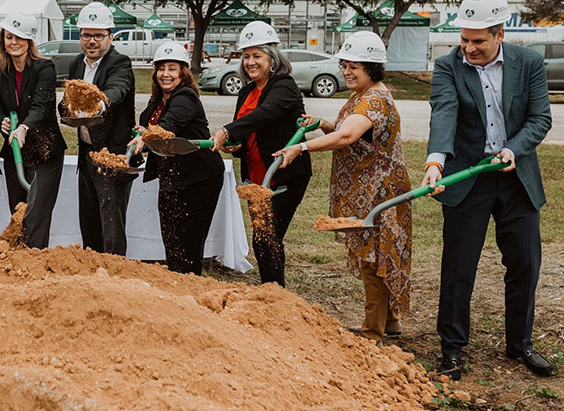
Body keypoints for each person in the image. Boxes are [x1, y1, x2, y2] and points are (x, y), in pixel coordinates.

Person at [422, 0, 553, 380]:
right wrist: (435, 162)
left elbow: (540, 118)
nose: (468, 48)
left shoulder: (529, 63)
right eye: (463, 39)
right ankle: (452, 350)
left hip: (516, 178)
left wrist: (514, 149)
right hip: (468, 177)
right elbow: (443, 113)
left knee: (525, 263)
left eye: (478, 40)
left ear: (500, 34)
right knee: (459, 266)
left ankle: (520, 344)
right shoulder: (449, 66)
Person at [274, 31, 411, 345]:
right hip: (369, 191)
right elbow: (351, 131)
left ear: (373, 68)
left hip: (379, 193)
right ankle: (390, 322)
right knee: (378, 257)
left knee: (373, 260)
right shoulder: (362, 95)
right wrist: (323, 124)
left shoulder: (375, 99)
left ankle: (371, 334)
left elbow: (348, 137)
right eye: (345, 65)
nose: (347, 71)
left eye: (355, 66)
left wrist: (302, 148)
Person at [210, 21, 311, 286]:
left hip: (284, 174)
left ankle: (275, 293)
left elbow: (263, 116)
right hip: (256, 176)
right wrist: (236, 144)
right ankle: (271, 290)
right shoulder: (245, 91)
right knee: (262, 236)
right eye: (246, 56)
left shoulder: (284, 87)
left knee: (268, 236)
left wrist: (226, 131)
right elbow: (247, 130)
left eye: (257, 56)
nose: (250, 62)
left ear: (273, 58)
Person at [129, 41, 224, 274]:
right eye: (161, 68)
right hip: (172, 179)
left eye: (172, 68)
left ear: (183, 72)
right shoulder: (157, 100)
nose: (166, 74)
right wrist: (142, 133)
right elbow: (151, 126)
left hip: (200, 179)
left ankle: (190, 286)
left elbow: (169, 125)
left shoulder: (186, 97)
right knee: (171, 239)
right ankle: (178, 282)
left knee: (189, 242)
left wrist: (148, 136)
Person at [60, 1, 135, 256]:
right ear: (79, 36)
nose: (92, 41)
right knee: (89, 220)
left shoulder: (120, 63)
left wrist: (99, 104)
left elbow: (118, 88)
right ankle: (92, 276)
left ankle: (115, 276)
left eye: (99, 35)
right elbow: (67, 99)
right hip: (87, 155)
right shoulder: (76, 65)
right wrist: (65, 110)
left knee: (111, 226)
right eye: (86, 35)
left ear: (110, 37)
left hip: (112, 155)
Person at [0, 12, 66, 248]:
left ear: (29, 41)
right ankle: (18, 264)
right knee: (18, 211)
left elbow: (41, 106)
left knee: (36, 215)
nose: (13, 42)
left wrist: (23, 127)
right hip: (15, 151)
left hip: (45, 151)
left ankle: (35, 263)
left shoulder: (44, 68)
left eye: (19, 38)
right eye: (9, 37)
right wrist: (2, 122)